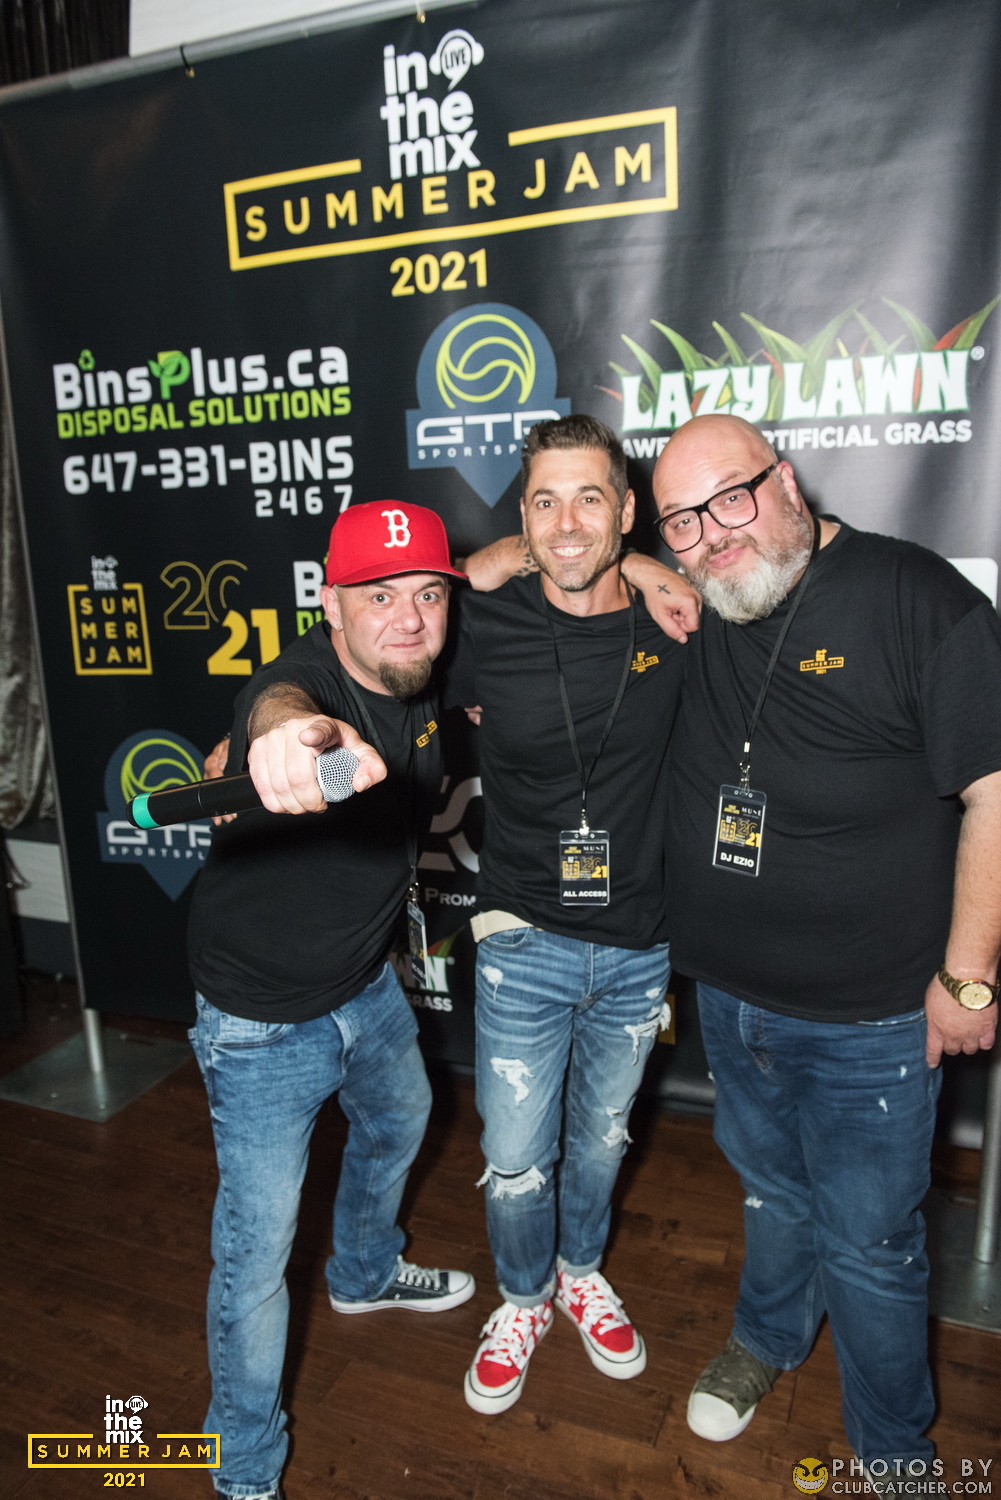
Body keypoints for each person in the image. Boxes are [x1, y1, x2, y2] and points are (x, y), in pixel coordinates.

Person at [646, 413, 1001, 1472]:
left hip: (870, 1021)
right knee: (771, 1195)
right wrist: (641, 563)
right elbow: (539, 561)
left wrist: (968, 979)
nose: (712, 536)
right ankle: (766, 1338)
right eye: (679, 523)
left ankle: (892, 1456)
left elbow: (994, 797)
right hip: (729, 998)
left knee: (870, 1245)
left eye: (730, 498)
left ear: (787, 482)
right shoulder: (700, 600)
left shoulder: (916, 599)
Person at [187, 501, 474, 1500]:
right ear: (329, 602)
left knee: (402, 1119)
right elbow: (280, 714)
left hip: (363, 986)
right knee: (255, 1254)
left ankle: (361, 1272)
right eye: (378, 597)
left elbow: (501, 569)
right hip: (260, 1022)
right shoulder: (302, 685)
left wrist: (642, 570)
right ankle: (243, 1467)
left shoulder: (424, 671)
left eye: (428, 594)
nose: (409, 619)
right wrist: (280, 741)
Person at [451, 414, 701, 1414]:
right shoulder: (483, 622)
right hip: (521, 938)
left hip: (639, 945)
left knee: (600, 1141)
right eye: (543, 502)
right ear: (521, 516)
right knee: (516, 1160)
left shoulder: (678, 624)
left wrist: (646, 570)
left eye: (588, 498)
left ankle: (580, 1272)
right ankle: (522, 1298)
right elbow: (378, 636)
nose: (564, 524)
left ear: (627, 510)